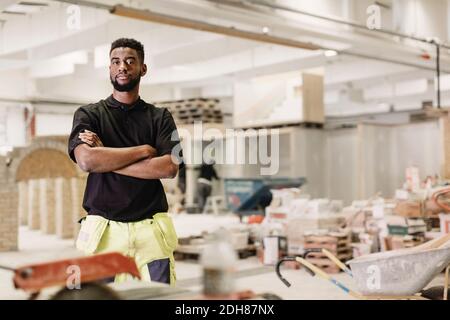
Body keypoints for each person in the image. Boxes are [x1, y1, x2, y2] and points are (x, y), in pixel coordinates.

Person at [67, 38, 183, 286]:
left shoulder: (160, 117)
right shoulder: (89, 115)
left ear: (143, 68)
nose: (123, 67)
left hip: (151, 232)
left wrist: (106, 156)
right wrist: (143, 150)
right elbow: (87, 160)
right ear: (109, 68)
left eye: (130, 61)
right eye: (116, 62)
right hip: (104, 233)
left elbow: (169, 167)